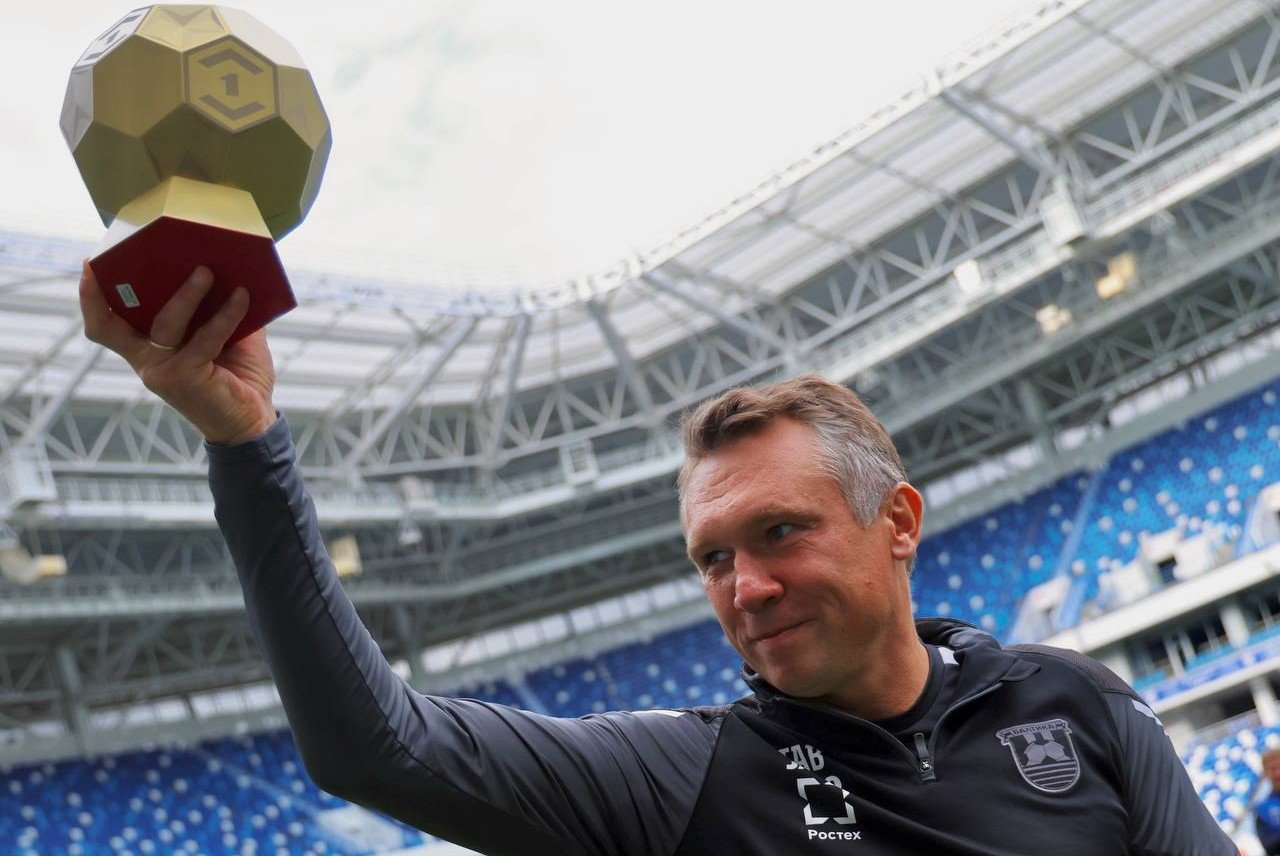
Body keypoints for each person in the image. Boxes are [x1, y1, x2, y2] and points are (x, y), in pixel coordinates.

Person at [80, 264, 1237, 855]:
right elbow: (372, 746)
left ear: (895, 521)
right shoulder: (684, 781)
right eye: (710, 557)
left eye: (778, 532)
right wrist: (247, 443)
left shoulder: (1075, 708)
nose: (745, 589)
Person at [1256, 747, 1280, 854]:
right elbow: (1269, 846)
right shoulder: (1264, 810)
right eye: (1272, 769)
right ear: (1265, 774)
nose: (1278, 774)